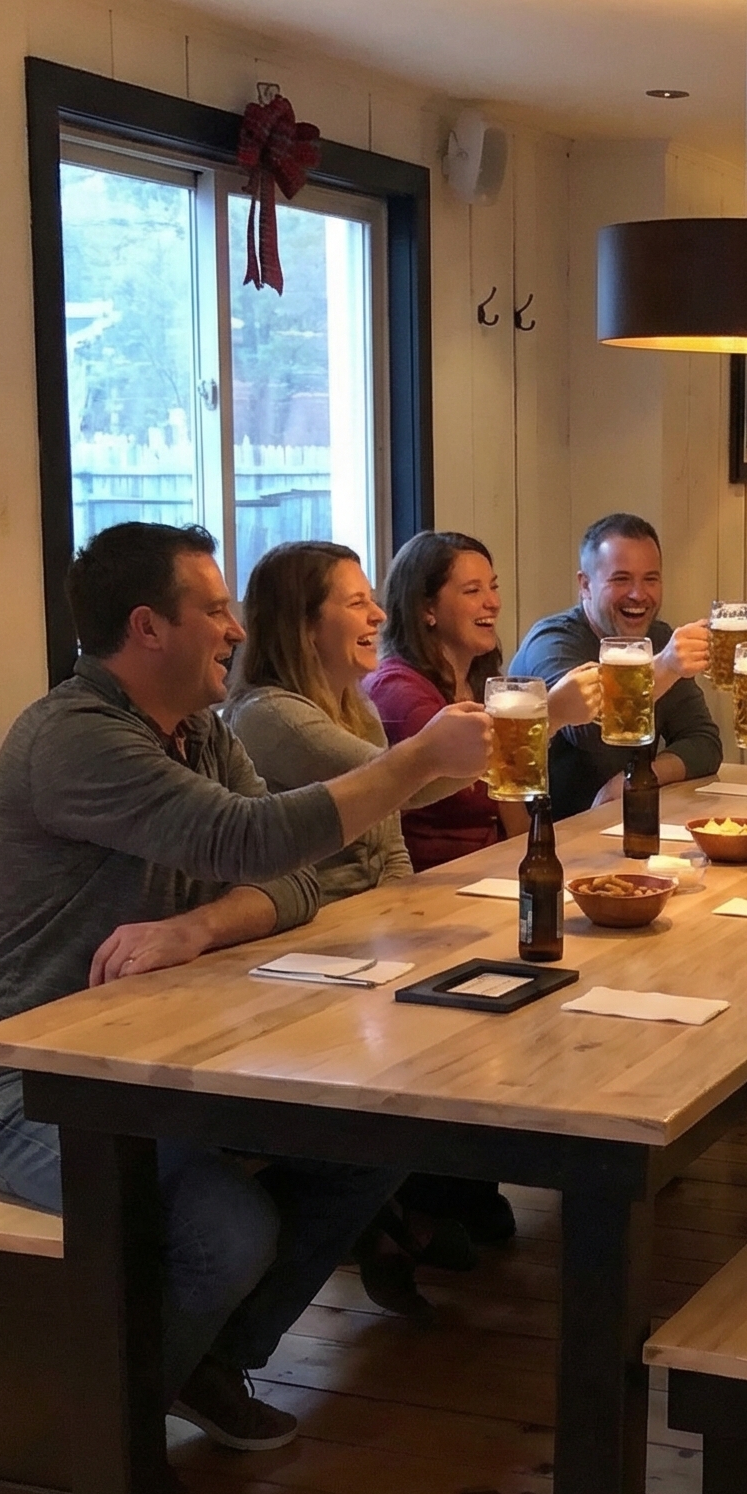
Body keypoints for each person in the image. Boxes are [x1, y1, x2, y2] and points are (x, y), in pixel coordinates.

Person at [0, 521, 492, 1477]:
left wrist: (195, 929)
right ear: (149, 628)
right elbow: (254, 845)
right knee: (227, 1228)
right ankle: (91, 1464)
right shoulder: (75, 739)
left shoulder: (198, 730)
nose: (235, 629)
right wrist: (417, 761)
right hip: (14, 1080)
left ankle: (207, 1363)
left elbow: (296, 879)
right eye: (216, 610)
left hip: (157, 1051)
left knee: (378, 1143)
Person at [225, 539, 599, 1317]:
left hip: (364, 935)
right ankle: (400, 1199)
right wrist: (547, 715)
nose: (374, 615)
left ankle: (408, 1198)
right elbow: (404, 787)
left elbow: (390, 836)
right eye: (355, 602)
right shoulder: (271, 715)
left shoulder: (352, 700)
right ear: (302, 623)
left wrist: (405, 919)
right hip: (306, 946)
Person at [365, 530, 600, 863]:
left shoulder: (482, 681)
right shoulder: (397, 691)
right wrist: (551, 715)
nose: (493, 602)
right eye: (473, 591)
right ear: (426, 608)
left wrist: (535, 865)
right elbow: (456, 776)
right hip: (429, 886)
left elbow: (509, 802)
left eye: (494, 586)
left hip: (490, 870)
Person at [506, 513, 720, 817]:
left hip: (619, 827)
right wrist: (665, 667)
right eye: (621, 579)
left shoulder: (657, 638)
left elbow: (704, 743)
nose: (638, 594)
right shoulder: (553, 642)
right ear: (585, 585)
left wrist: (637, 779)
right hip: (551, 836)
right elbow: (589, 732)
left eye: (651, 579)